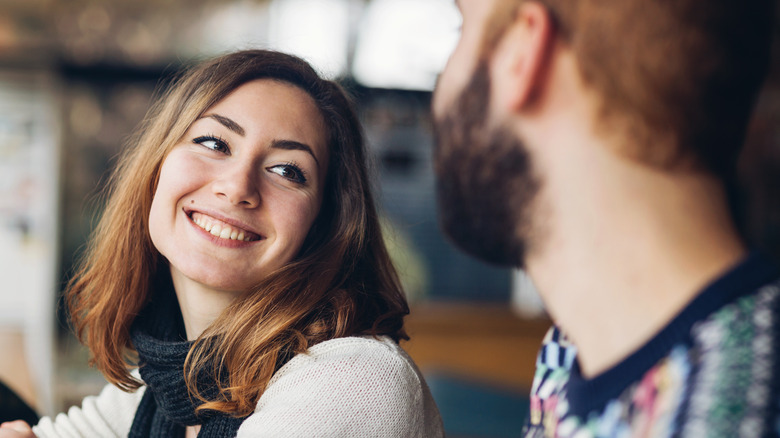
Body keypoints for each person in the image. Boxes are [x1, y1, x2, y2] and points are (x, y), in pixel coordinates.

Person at [0, 49, 444, 438]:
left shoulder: (355, 381)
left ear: (324, 226)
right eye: (214, 142)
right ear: (156, 169)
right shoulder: (171, 385)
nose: (237, 187)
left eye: (287, 171)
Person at [432, 0, 779, 436]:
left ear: (524, 49)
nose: (442, 83)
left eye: (461, 27)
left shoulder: (726, 417)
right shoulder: (569, 355)